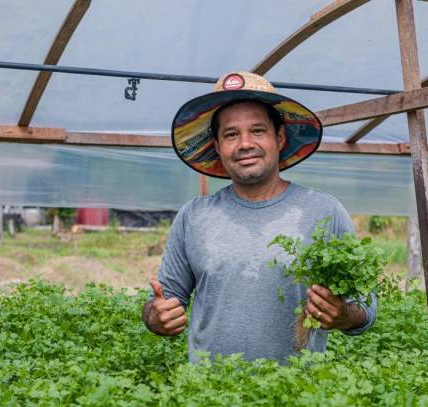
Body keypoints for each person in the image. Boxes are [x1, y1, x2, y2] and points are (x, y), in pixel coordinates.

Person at [142, 71, 376, 363]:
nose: (244, 144)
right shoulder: (194, 216)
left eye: (257, 131)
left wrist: (345, 315)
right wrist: (156, 316)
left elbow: (366, 306)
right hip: (208, 397)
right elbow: (163, 301)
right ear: (217, 147)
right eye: (231, 134)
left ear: (278, 138)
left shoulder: (323, 211)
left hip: (298, 396)